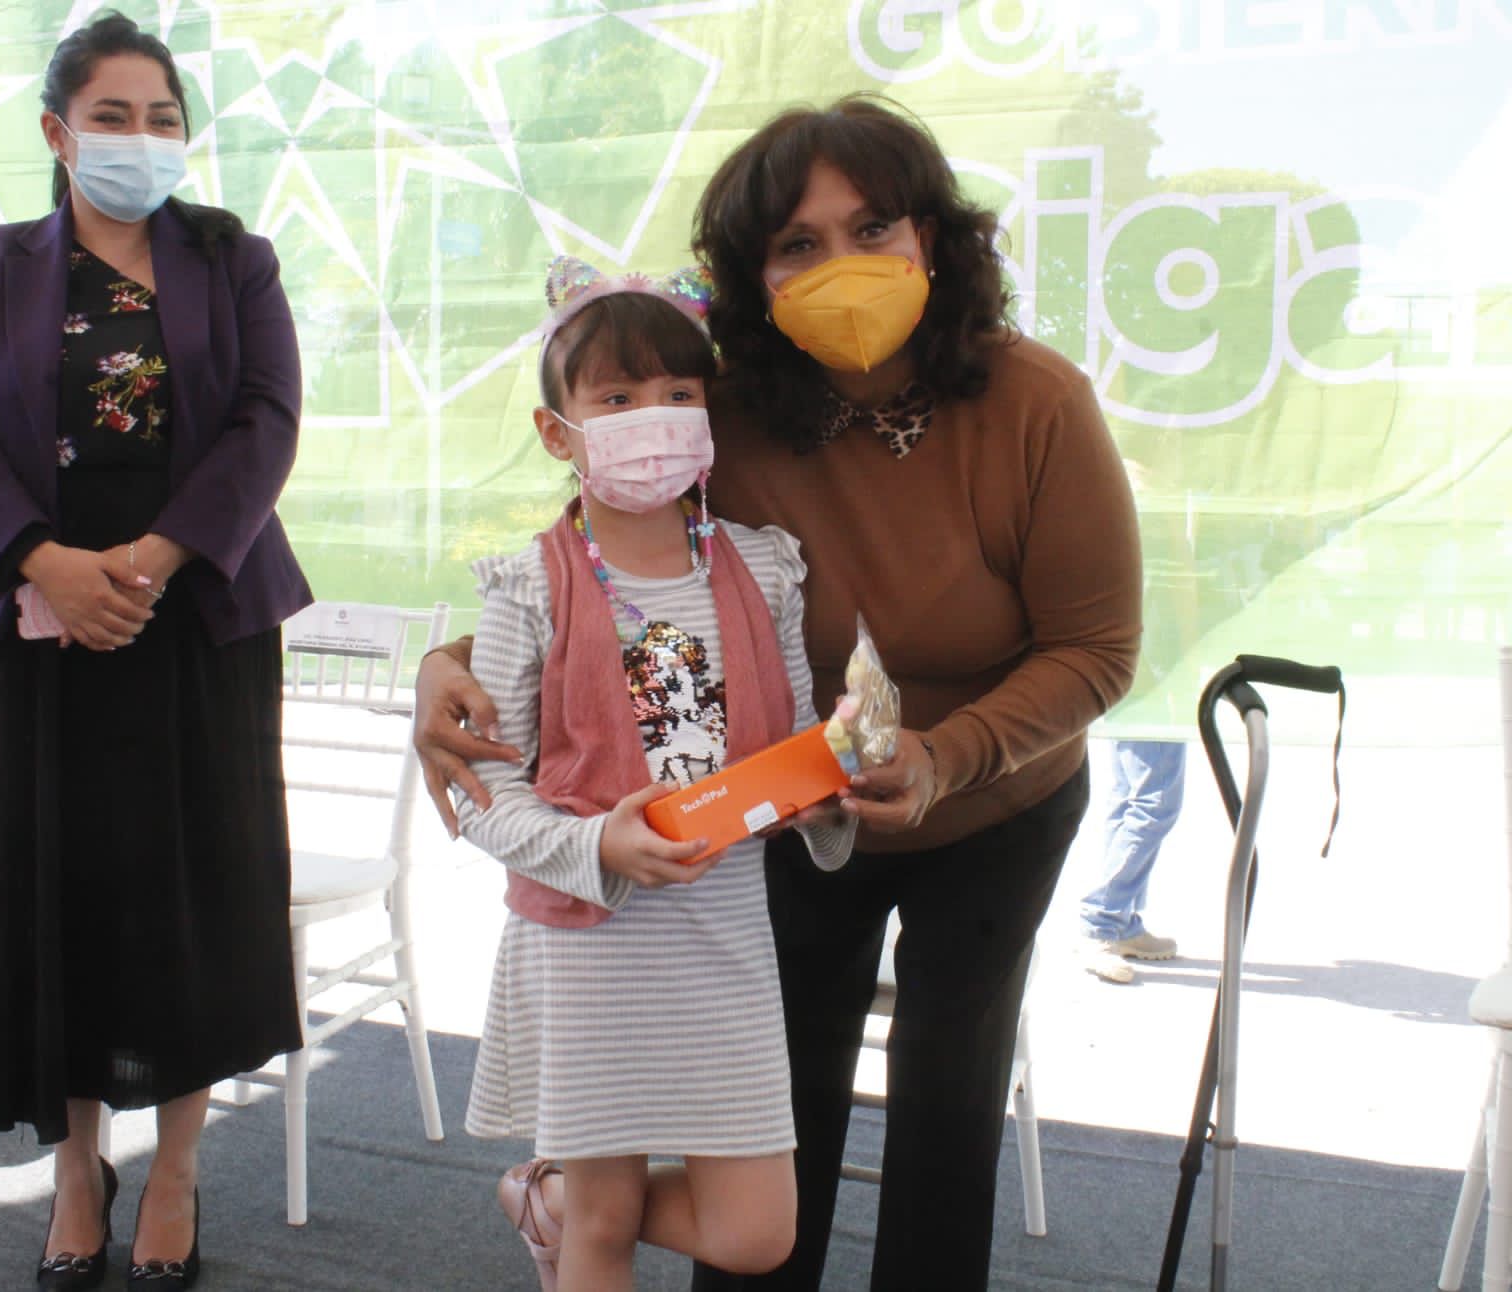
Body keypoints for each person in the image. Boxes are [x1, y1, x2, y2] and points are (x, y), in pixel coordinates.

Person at [415, 95, 1142, 1290]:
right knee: (771, 1112)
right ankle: (584, 1207)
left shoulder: (1034, 401)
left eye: (872, 228)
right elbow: (600, 564)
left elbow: (1095, 647)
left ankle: (593, 1211)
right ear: (752, 275)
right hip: (788, 813)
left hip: (993, 801)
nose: (840, 264)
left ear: (930, 239)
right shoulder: (720, 412)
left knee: (949, 1106)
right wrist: (453, 659)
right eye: (798, 243)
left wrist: (943, 756)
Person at [0, 12, 310, 1289]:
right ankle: (78, 1166)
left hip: (192, 621)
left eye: (162, 118)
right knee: (61, 899)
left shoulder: (233, 256)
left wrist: (147, 560)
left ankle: (177, 1167)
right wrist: (47, 562)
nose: (142, 138)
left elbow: (267, 420)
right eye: (112, 116)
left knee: (190, 900)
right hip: (37, 630)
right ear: (57, 131)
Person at [457, 256, 855, 1292]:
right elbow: (479, 791)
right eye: (618, 397)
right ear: (559, 432)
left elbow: (794, 748)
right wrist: (598, 842)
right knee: (604, 1227)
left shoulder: (764, 565)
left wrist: (840, 772)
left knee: (757, 1232)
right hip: (591, 943)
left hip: (724, 936)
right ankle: (572, 1208)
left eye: (680, 393)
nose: (656, 419)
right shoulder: (527, 585)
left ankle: (541, 1198)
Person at [1080, 739, 1185, 983]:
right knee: (1156, 803)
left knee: (1130, 796)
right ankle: (1102, 922)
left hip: (1141, 713)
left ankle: (1120, 923)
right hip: (1157, 712)